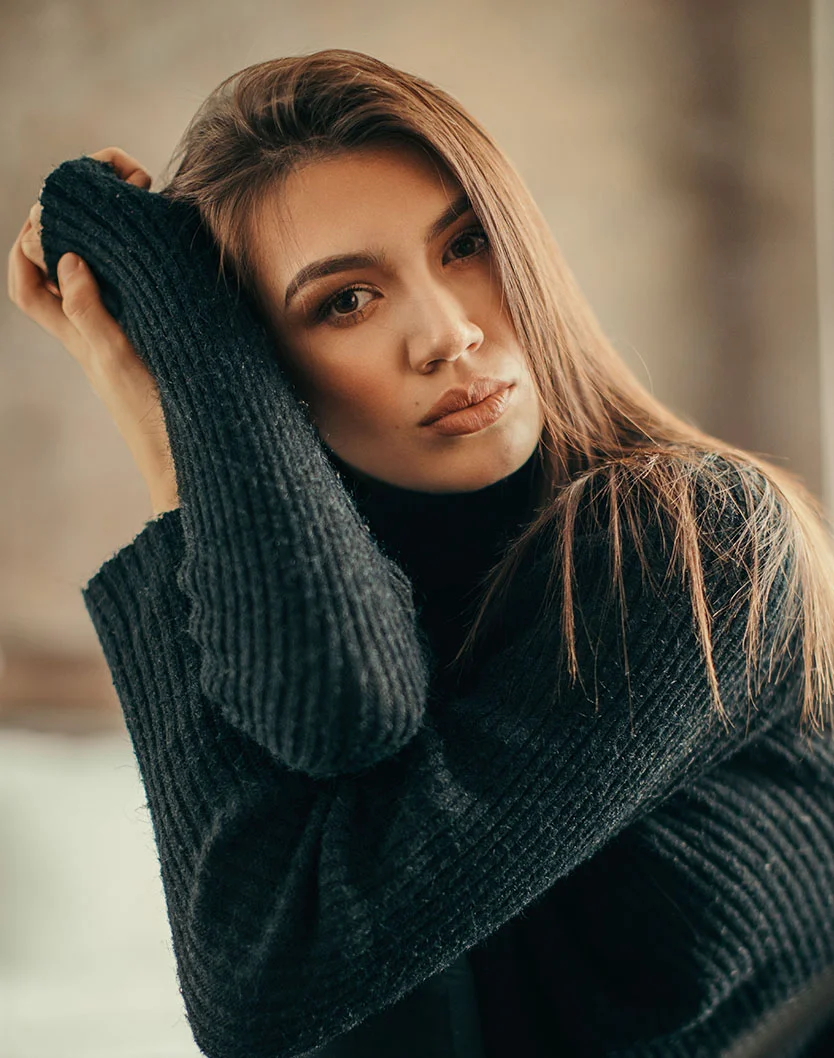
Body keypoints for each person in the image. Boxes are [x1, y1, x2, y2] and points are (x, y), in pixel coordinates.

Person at [8, 48, 834, 1058]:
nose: (448, 335)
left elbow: (277, 983)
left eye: (467, 243)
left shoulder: (698, 539)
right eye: (344, 301)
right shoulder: (327, 627)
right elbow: (342, 707)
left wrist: (183, 452)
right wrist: (186, 422)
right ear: (263, 373)